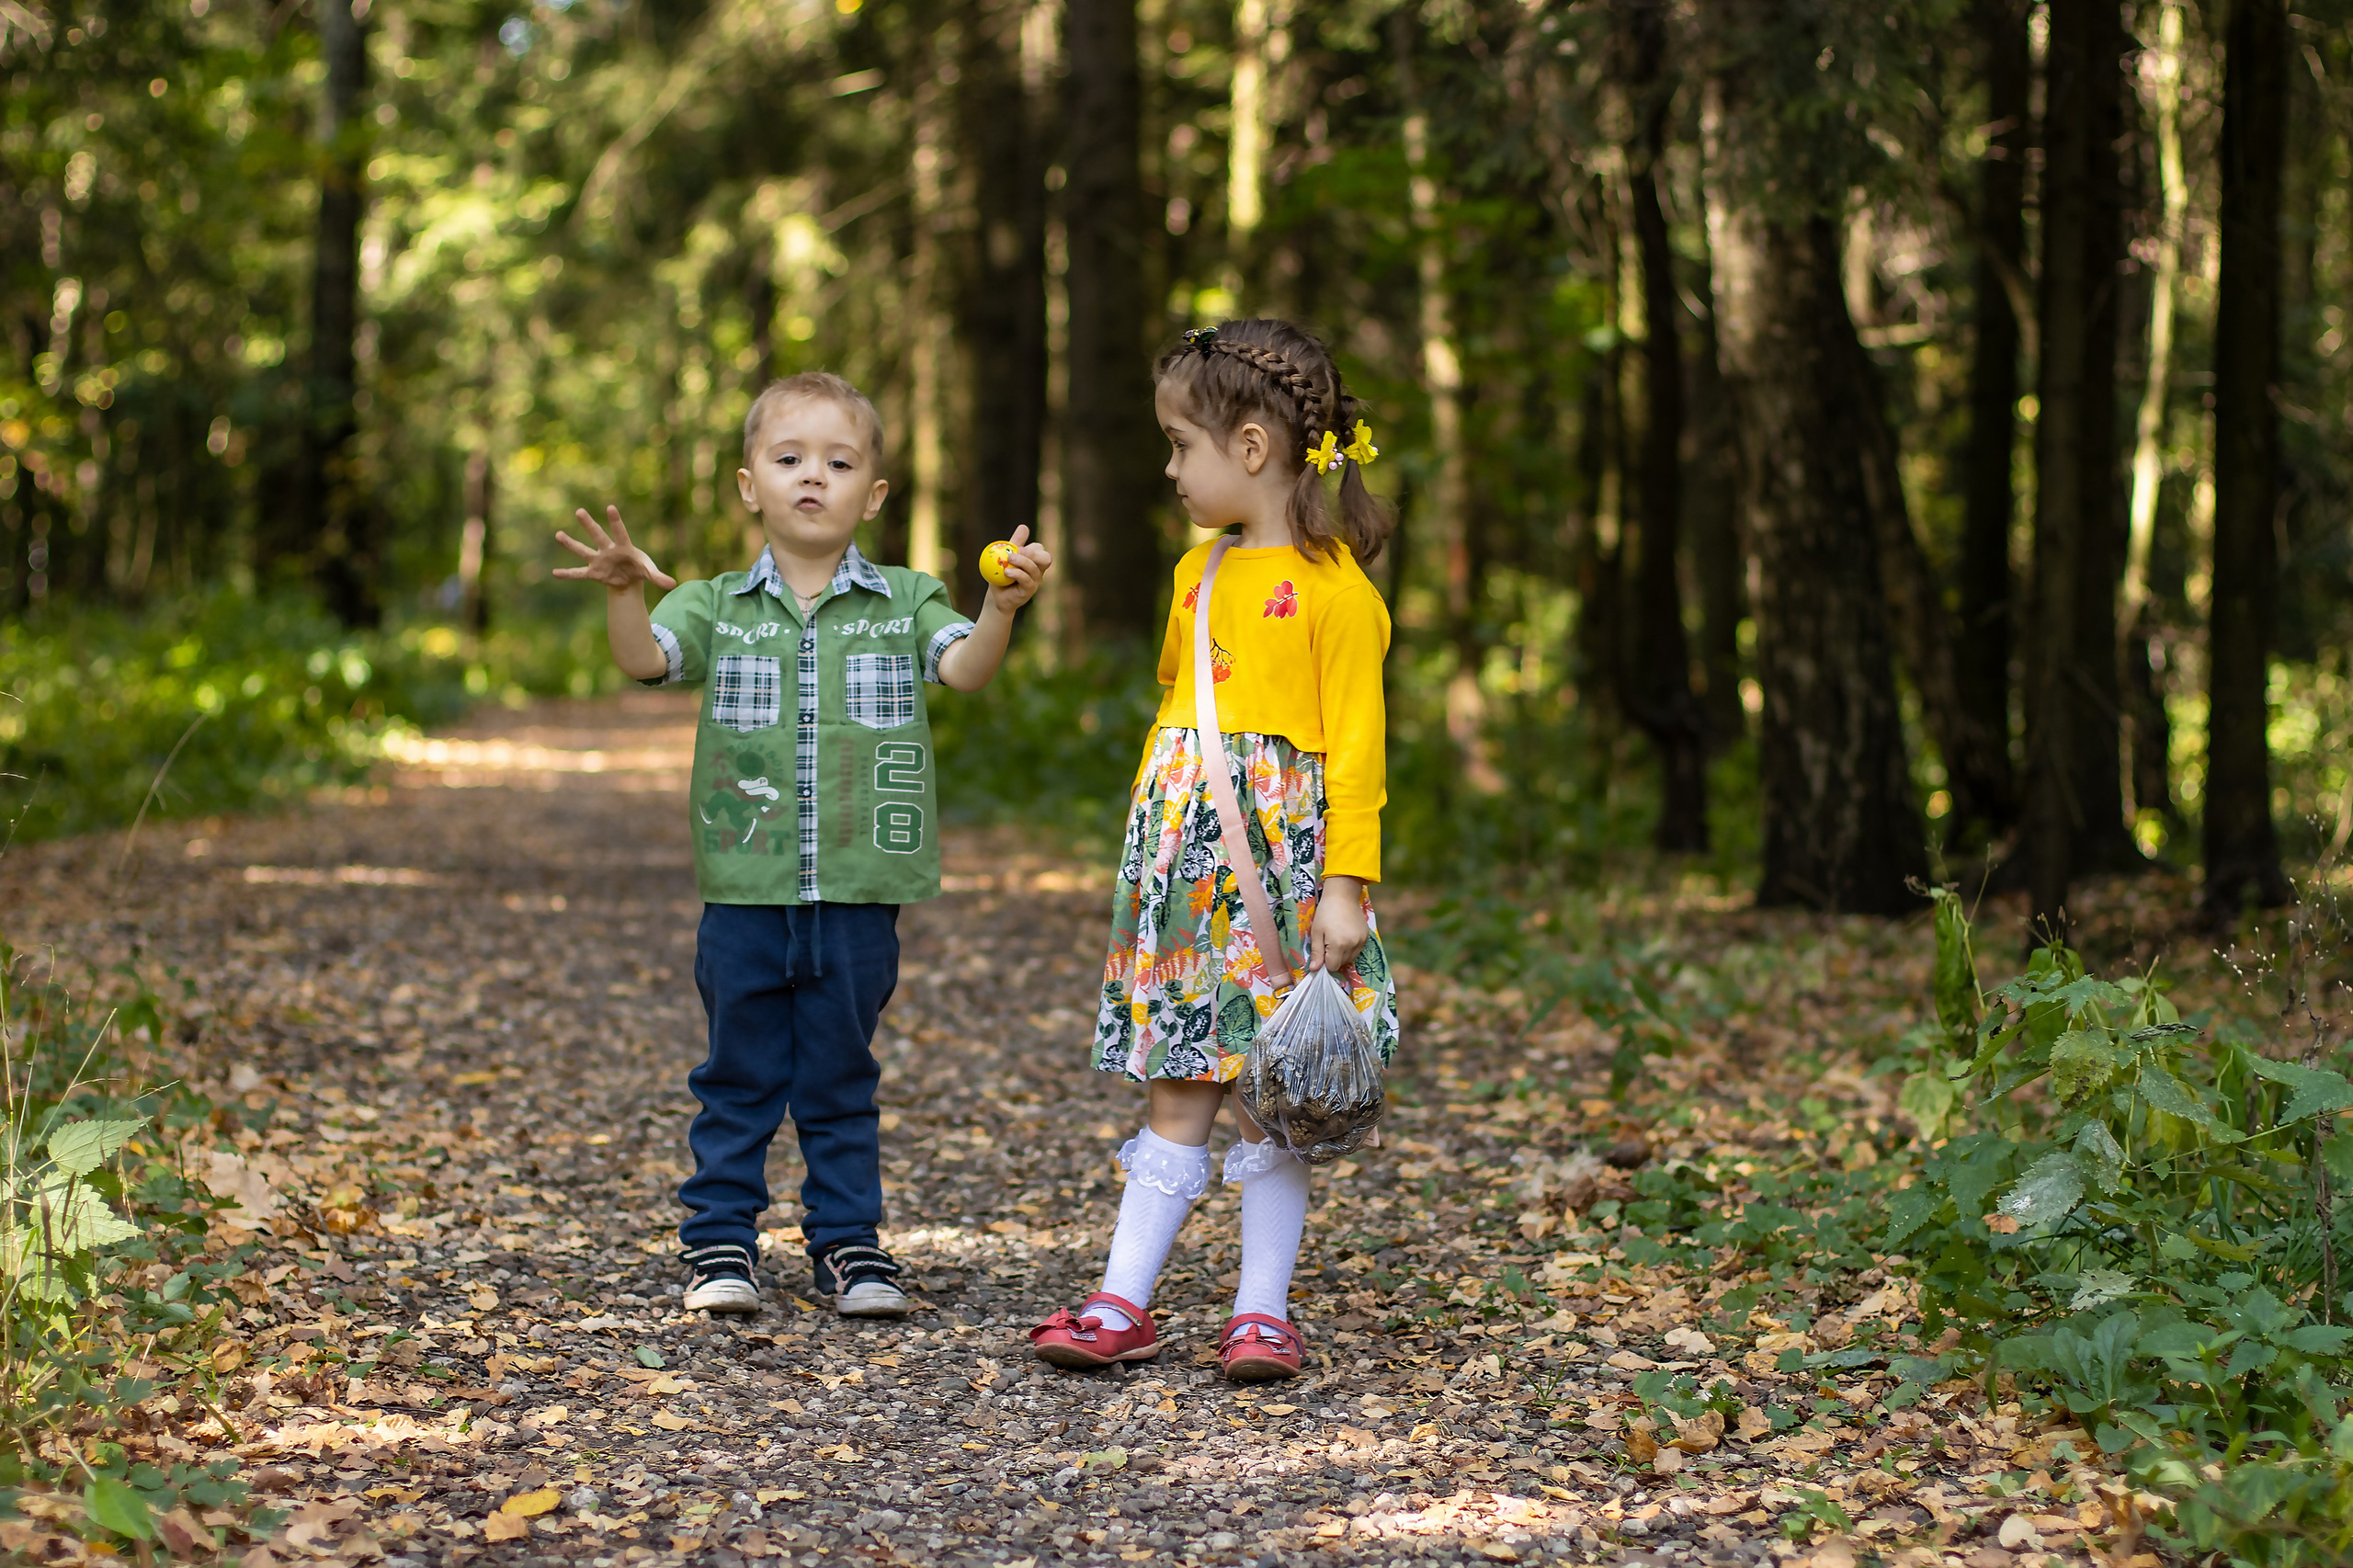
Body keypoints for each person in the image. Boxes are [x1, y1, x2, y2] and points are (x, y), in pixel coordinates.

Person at [554, 370, 1051, 1316]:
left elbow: (969, 670)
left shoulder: (908, 599)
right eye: (788, 459)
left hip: (863, 893)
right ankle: (720, 1244)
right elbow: (644, 659)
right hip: (744, 888)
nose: (810, 476)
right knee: (736, 1072)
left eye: (837, 460)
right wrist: (624, 591)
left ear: (872, 495)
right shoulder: (714, 604)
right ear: (750, 485)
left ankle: (850, 1244)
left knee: (839, 1073)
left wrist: (1002, 609)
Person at [1029, 320, 1397, 1381]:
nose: (1169, 467)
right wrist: (1153, 862)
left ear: (1249, 448)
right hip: (1187, 878)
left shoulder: (1338, 594)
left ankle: (1260, 1311)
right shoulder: (1196, 572)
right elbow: (1179, 720)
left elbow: (1358, 760)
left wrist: (1343, 887)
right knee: (1179, 1083)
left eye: (1180, 444)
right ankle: (1121, 1299)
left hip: (1284, 882)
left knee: (1273, 1092)